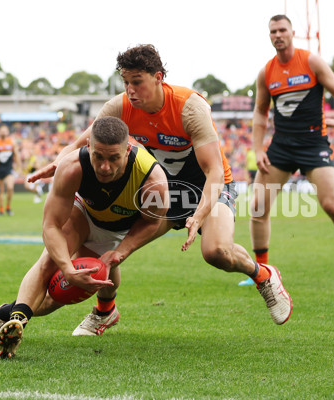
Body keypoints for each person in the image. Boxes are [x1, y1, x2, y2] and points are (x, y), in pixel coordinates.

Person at [27, 44, 293, 329]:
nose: (130, 90)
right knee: (111, 249)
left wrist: (200, 215)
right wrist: (57, 163)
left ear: (158, 77)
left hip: (206, 186)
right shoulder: (118, 108)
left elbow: (214, 170)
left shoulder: (189, 107)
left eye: (137, 82)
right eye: (126, 82)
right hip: (160, 190)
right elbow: (79, 146)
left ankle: (263, 276)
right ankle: (105, 312)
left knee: (216, 252)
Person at [0, 116, 169, 359]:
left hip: (118, 230)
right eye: (98, 157)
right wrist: (66, 266)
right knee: (50, 264)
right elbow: (51, 225)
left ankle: (4, 312)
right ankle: (16, 321)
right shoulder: (73, 165)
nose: (105, 167)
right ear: (89, 148)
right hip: (83, 213)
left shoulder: (153, 181)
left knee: (57, 298)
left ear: (128, 150)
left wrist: (121, 251)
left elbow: (152, 222)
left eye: (114, 158)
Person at [248, 14, 334, 285]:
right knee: (258, 207)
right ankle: (261, 271)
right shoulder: (266, 72)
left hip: (314, 144)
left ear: (292, 32)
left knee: (332, 206)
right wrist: (258, 149)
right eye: (273, 31)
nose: (277, 35)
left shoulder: (311, 61)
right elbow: (260, 113)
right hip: (281, 146)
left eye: (282, 30)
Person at [0, 125, 22, 216]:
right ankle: (1, 209)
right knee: (1, 191)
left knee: (10, 187)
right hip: (0, 169)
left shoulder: (12, 142)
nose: (3, 132)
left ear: (7, 132)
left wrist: (19, 167)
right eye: (1, 130)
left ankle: (8, 207)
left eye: (5, 130)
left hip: (9, 169)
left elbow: (17, 155)